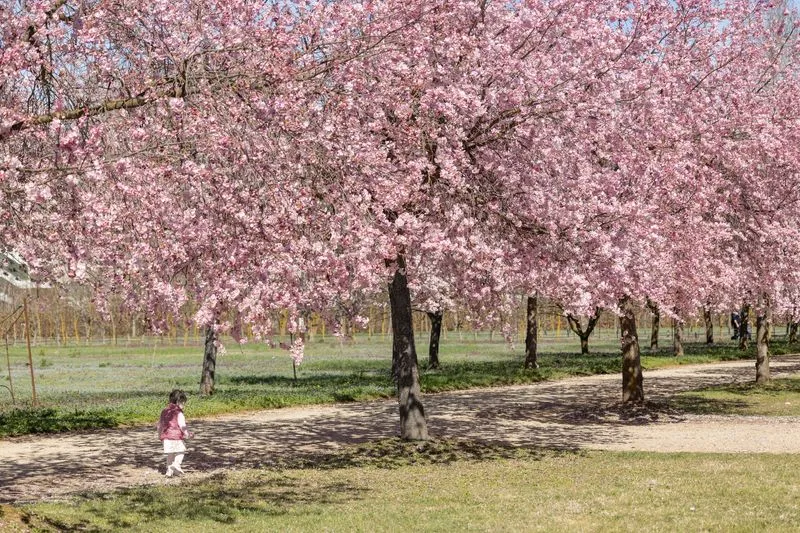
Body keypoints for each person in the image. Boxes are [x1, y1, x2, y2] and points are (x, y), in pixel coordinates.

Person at [157, 389, 192, 477]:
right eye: (183, 402)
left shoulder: (164, 411)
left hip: (166, 437)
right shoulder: (179, 413)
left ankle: (169, 471)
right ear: (178, 401)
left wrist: (159, 435)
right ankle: (176, 464)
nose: (184, 405)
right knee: (181, 450)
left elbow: (160, 425)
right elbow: (182, 426)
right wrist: (188, 434)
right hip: (176, 437)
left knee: (170, 454)